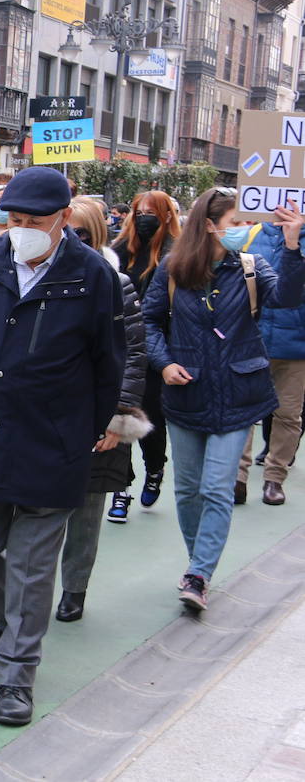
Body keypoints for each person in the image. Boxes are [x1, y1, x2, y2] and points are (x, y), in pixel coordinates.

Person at [0, 166, 125, 727]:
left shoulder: (92, 275)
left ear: (64, 220)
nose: (21, 230)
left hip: (53, 444)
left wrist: (83, 431)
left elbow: (108, 365)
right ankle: (6, 625)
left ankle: (17, 676)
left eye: (35, 221)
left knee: (31, 567)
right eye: (14, 220)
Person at [143, 187, 304, 612]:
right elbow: (149, 323)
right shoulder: (174, 269)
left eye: (247, 222)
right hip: (186, 392)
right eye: (236, 223)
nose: (244, 230)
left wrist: (292, 245)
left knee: (217, 488)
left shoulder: (252, 266)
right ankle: (200, 562)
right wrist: (163, 364)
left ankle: (198, 573)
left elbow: (287, 297)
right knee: (188, 490)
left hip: (240, 394)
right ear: (211, 225)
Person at [53, 198, 149, 623]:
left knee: (87, 511)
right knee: (29, 510)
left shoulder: (116, 283)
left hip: (95, 415)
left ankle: (74, 589)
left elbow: (132, 355)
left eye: (83, 236)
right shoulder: (35, 277)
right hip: (44, 414)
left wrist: (117, 418)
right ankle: (15, 591)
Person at [113, 190, 181, 508]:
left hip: (154, 347)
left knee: (152, 418)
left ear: (166, 215)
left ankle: (154, 469)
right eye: (138, 212)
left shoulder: (176, 255)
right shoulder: (118, 249)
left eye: (150, 212)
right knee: (117, 414)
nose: (143, 218)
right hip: (118, 344)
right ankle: (120, 487)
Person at [236, 214, 305, 506]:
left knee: (288, 415)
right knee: (245, 413)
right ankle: (237, 478)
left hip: (297, 346)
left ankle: (275, 478)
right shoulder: (249, 235)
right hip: (252, 339)